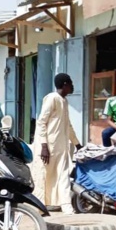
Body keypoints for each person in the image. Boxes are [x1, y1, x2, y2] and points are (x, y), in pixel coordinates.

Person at [32, 73, 82, 215]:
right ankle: (39, 208)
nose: (73, 86)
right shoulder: (52, 98)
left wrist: (77, 144)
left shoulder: (64, 101)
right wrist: (43, 146)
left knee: (63, 176)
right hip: (47, 148)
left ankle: (66, 206)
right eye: (71, 83)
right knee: (43, 176)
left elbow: (68, 126)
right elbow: (41, 122)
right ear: (65, 84)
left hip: (61, 148)